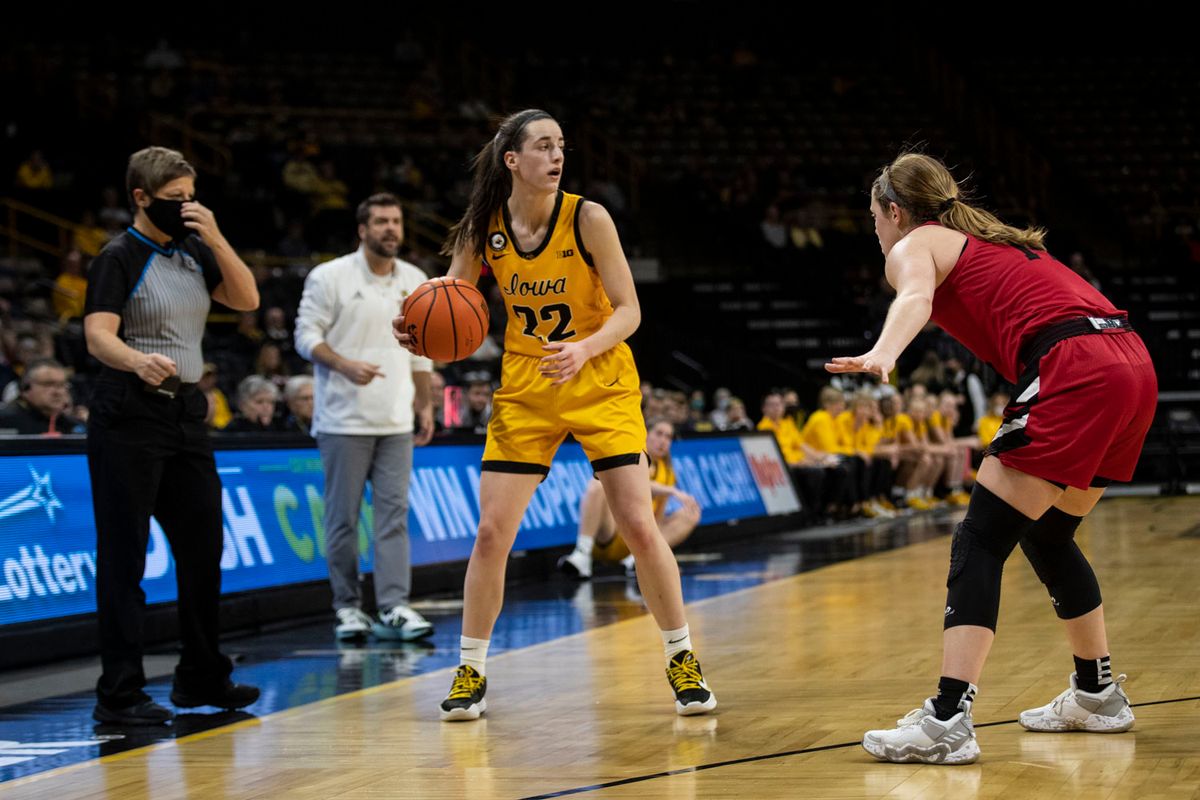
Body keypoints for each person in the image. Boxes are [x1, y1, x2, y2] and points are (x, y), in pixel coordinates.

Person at [828, 152, 1156, 764]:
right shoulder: (992, 239)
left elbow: (914, 300)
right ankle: (1096, 692)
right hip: (1130, 362)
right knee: (1049, 536)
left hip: (1076, 366)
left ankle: (947, 718)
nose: (875, 229)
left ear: (894, 211)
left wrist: (884, 352)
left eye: (873, 217)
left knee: (979, 539)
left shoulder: (916, 243)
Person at [394, 109, 716, 721]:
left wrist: (584, 349)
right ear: (512, 160)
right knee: (491, 533)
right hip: (527, 384)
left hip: (598, 376)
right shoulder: (483, 227)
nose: (557, 155)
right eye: (544, 146)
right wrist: (418, 331)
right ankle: (469, 671)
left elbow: (629, 310)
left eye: (561, 145)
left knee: (637, 525)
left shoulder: (588, 216)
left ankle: (682, 658)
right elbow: (452, 303)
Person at [83, 146, 260, 725]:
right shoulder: (118, 256)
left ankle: (202, 677)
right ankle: (120, 693)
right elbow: (97, 336)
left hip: (185, 413)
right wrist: (136, 361)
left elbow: (247, 299)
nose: (185, 208)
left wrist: (214, 235)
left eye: (192, 198)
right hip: (128, 412)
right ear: (141, 198)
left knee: (203, 550)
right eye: (174, 201)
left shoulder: (191, 251)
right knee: (124, 557)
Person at [296, 193, 435, 643]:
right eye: (380, 222)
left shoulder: (415, 278)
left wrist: (425, 403)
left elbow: (421, 353)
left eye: (396, 221)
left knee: (394, 516)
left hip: (396, 421)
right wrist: (343, 365)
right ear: (362, 229)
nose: (390, 229)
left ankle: (394, 605)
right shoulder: (329, 276)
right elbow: (304, 337)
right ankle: (348, 607)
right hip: (343, 421)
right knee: (342, 518)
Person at [558, 418, 702, 579]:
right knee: (597, 485)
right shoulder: (633, 455)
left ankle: (638, 561)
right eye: (659, 434)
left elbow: (658, 519)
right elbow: (636, 486)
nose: (663, 441)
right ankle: (582, 554)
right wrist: (672, 491)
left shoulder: (667, 473)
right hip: (611, 533)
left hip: (636, 542)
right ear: (646, 434)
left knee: (692, 512)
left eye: (668, 437)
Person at [0, 358, 83, 435]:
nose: (57, 392)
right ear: (25, 389)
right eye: (48, 384)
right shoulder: (5, 421)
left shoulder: (77, 427)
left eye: (61, 385)